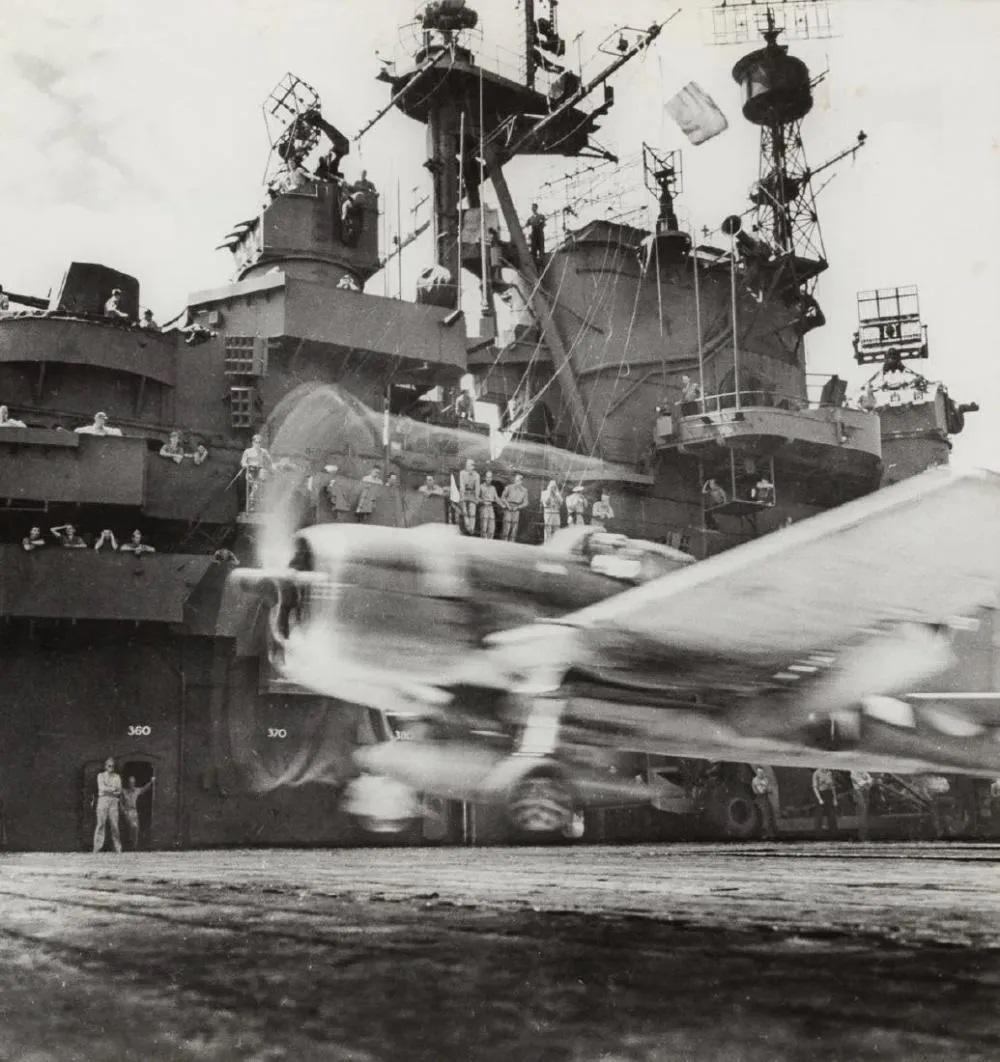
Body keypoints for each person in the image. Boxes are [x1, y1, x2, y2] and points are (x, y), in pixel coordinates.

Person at [93, 757, 123, 853]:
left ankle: (117, 848)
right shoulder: (100, 776)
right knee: (101, 824)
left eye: (113, 766)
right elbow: (101, 788)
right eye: (109, 766)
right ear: (105, 766)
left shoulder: (117, 777)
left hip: (113, 801)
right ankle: (97, 848)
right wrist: (113, 789)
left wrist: (109, 789)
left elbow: (119, 790)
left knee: (114, 824)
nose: (111, 768)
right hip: (103, 800)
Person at [120, 775, 154, 851]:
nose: (131, 784)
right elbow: (121, 803)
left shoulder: (136, 790)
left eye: (133, 782)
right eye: (130, 782)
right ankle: (129, 845)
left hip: (134, 811)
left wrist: (151, 782)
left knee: (136, 828)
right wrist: (124, 811)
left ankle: (134, 846)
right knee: (133, 826)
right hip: (127, 811)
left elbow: (144, 789)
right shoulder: (124, 791)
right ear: (128, 783)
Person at [240, 434, 272, 513]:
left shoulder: (263, 451)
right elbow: (243, 461)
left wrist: (269, 465)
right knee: (255, 487)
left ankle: (256, 505)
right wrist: (245, 465)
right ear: (253, 442)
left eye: (259, 442)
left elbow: (269, 460)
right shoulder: (248, 451)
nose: (258, 444)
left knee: (258, 486)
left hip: (259, 470)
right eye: (256, 442)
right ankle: (252, 505)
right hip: (250, 470)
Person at [500, 473, 528, 542]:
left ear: (521, 481)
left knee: (514, 529)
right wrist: (508, 505)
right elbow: (502, 497)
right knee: (506, 527)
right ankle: (503, 543)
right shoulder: (509, 487)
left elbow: (526, 502)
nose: (516, 482)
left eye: (518, 481)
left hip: (516, 510)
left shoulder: (524, 490)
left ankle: (511, 544)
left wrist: (518, 507)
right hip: (508, 509)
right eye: (515, 480)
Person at [751, 767, 777, 839]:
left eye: (761, 772)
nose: (760, 773)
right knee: (764, 815)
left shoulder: (765, 780)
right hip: (761, 798)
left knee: (767, 814)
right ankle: (766, 832)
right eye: (759, 772)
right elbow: (756, 790)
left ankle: (769, 832)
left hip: (764, 798)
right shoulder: (755, 780)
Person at [812, 767, 839, 834]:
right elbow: (815, 788)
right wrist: (819, 799)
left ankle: (833, 832)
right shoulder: (816, 773)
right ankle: (818, 832)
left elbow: (833, 787)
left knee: (831, 813)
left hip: (829, 794)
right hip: (820, 794)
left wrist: (835, 799)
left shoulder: (829, 773)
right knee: (819, 814)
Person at [458, 459, 480, 535]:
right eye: (467, 465)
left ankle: (471, 529)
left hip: (472, 494)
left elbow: (477, 488)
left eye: (471, 465)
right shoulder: (462, 473)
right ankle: (467, 526)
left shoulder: (476, 475)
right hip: (464, 493)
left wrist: (476, 497)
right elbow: (462, 485)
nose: (469, 467)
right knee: (464, 511)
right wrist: (462, 496)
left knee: (472, 511)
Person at [851, 769, 874, 841]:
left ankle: (865, 835)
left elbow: (871, 782)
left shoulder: (864, 771)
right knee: (862, 816)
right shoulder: (853, 773)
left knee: (865, 815)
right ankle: (862, 837)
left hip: (865, 794)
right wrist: (867, 782)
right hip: (859, 795)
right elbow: (861, 783)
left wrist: (867, 782)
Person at [478, 470, 500, 540]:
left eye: (490, 477)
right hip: (483, 508)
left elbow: (497, 498)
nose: (489, 479)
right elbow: (476, 498)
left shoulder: (493, 488)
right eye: (487, 477)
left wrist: (504, 505)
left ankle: (490, 543)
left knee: (492, 528)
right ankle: (482, 543)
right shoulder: (481, 486)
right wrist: (482, 501)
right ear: (485, 478)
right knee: (484, 528)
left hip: (491, 508)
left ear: (491, 478)